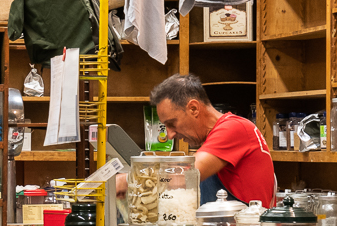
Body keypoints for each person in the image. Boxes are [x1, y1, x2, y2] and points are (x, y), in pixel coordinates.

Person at [117, 74, 276, 209]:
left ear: (193, 108)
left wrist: (129, 180)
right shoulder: (217, 136)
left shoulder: (233, 128)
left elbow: (188, 175)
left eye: (172, 123)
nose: (170, 135)